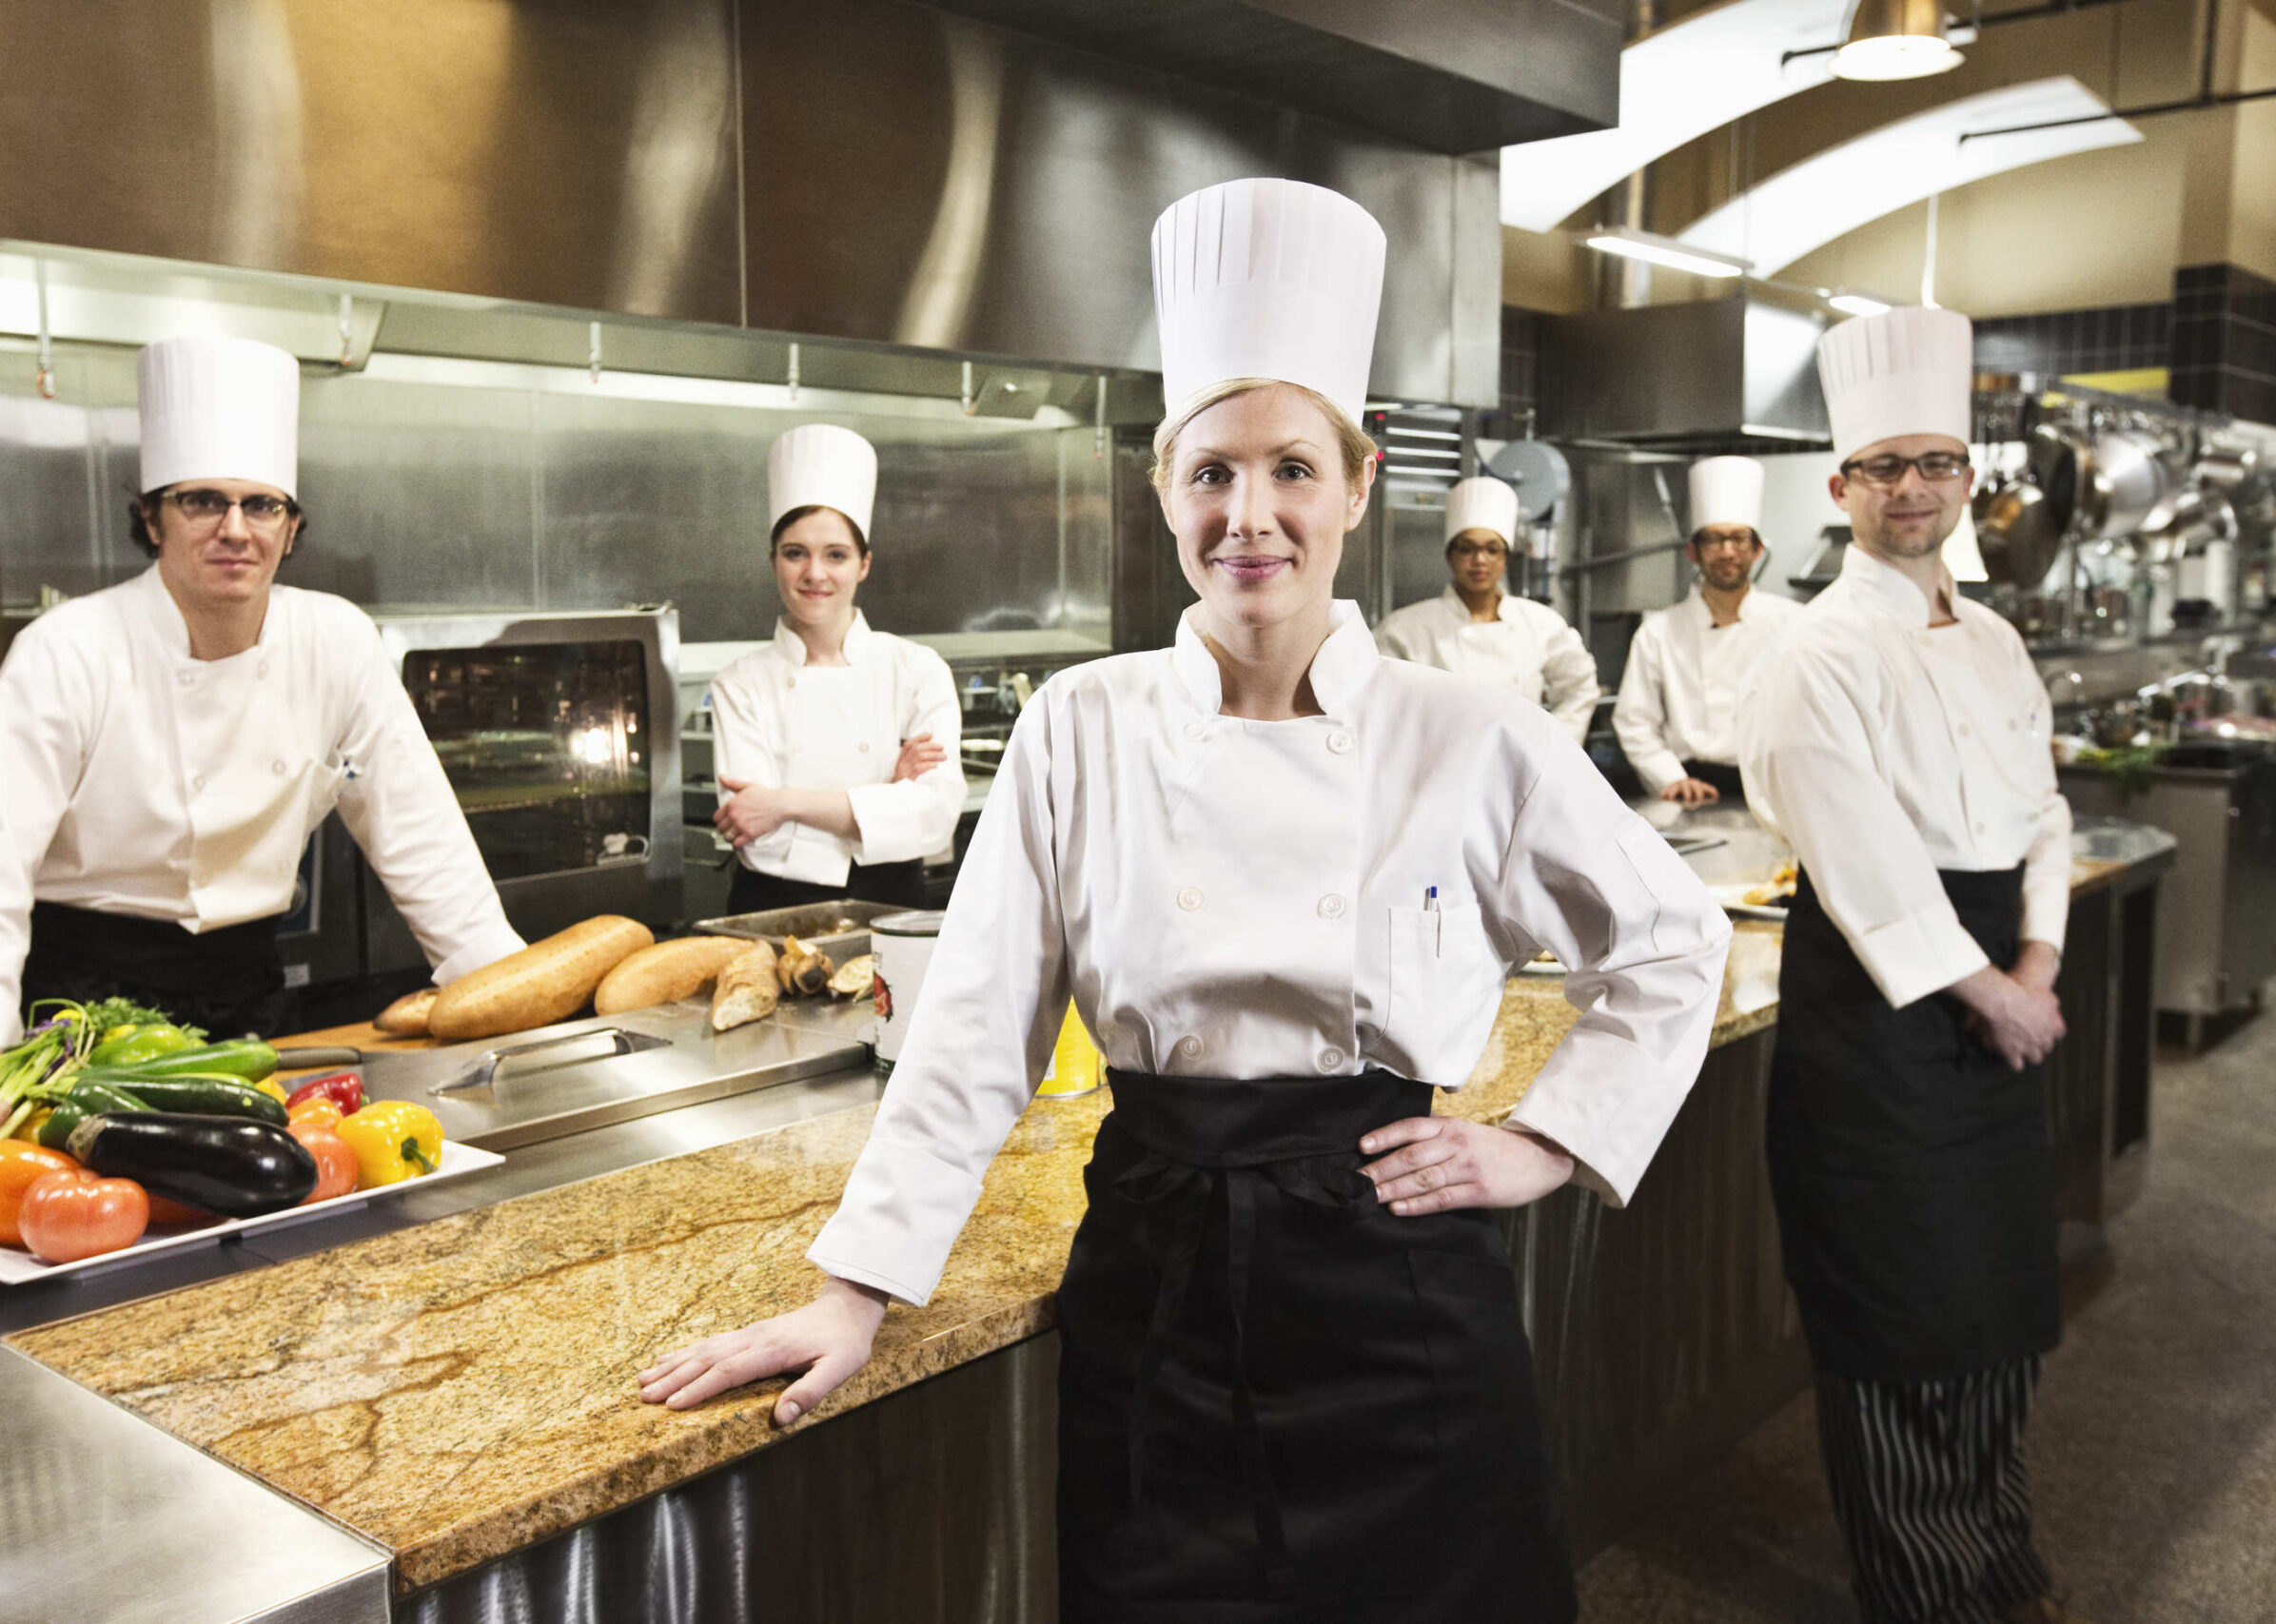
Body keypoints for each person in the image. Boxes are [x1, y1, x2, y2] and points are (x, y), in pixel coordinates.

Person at [642, 177, 1732, 1623]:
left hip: (1397, 1294)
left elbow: (1672, 939)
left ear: (1356, 481)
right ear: (1163, 488)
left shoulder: (1467, 732)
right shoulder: (1077, 725)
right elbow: (971, 1030)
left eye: (1292, 468)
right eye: (1213, 471)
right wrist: (858, 1285)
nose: (1251, 515)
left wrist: (1544, 1139)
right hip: (1154, 1278)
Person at [1738, 305, 2084, 1624]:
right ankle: (1930, 1594)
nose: (1914, 488)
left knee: (1998, 1311)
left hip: (2002, 995)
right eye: (1885, 467)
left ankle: (2002, 1567)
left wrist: (2039, 962)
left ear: (1969, 479)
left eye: (1937, 462)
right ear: (1842, 487)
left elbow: (2041, 815)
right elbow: (1861, 856)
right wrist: (1990, 988)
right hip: (1883, 1024)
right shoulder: (1812, 652)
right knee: (1898, 1327)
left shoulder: (1998, 640)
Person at [0, 334, 521, 1064]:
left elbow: (421, 835)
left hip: (249, 998)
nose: (235, 529)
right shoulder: (67, 649)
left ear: (290, 526)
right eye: (203, 501)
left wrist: (505, 991)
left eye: (261, 505)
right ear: (151, 518)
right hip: (78, 1007)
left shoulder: (337, 640)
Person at [708, 423, 964, 915]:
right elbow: (755, 835)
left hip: (892, 904)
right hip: (771, 910)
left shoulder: (916, 669)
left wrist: (784, 804)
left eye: (836, 555)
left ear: (863, 564)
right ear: (773, 560)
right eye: (795, 553)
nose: (815, 574)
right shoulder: (739, 683)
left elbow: (934, 818)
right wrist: (886, 797)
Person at [1612, 455, 1801, 804]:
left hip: (1773, 787)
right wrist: (1671, 778)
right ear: (1693, 552)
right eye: (1713, 540)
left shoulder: (1793, 624)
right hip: (1689, 790)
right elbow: (1634, 721)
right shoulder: (1658, 633)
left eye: (1738, 539)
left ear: (1757, 549)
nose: (1727, 551)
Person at [1373, 474, 1599, 742]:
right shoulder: (1405, 628)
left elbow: (1580, 686)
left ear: (1505, 558)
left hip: (1521, 768)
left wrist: (1554, 748)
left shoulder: (1539, 623)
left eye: (1492, 550)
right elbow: (1379, 704)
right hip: (1441, 767)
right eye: (1467, 549)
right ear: (1449, 556)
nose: (1480, 561)